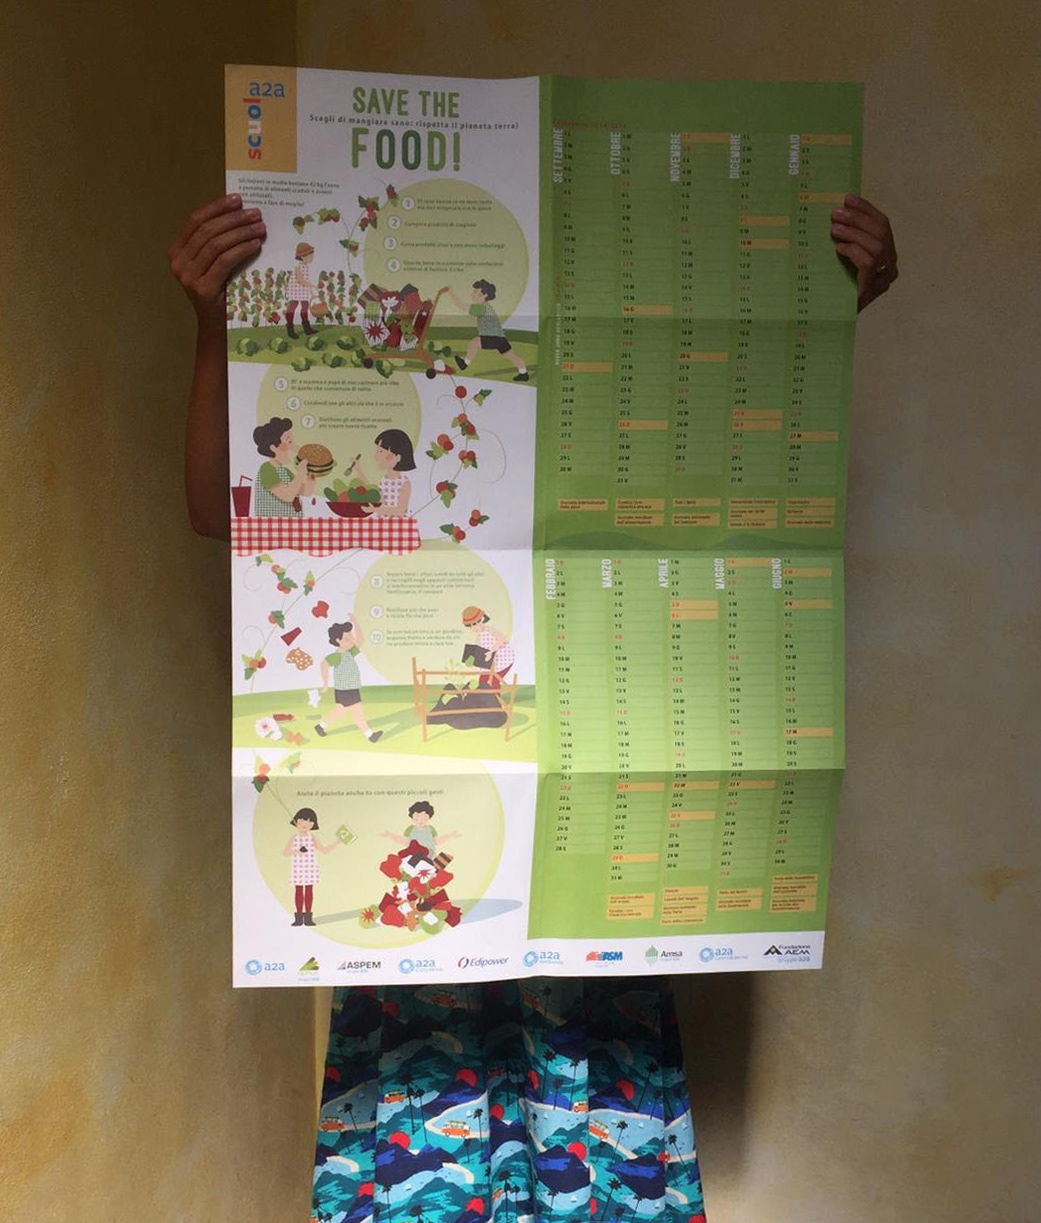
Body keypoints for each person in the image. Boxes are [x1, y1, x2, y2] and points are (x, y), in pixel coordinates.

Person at [171, 189, 897, 1222]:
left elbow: (744, 462)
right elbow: (222, 507)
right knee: (422, 1117)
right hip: (423, 831)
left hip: (595, 823)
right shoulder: (387, 431)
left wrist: (823, 307)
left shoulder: (623, 420)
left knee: (590, 1114)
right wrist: (218, 321)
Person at [445, 278, 530, 381]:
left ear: (484, 295)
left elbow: (461, 305)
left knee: (474, 343)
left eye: (475, 292)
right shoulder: (486, 307)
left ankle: (465, 363)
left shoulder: (482, 308)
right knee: (511, 356)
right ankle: (523, 373)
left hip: (492, 337)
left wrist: (451, 292)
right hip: (500, 338)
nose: (472, 294)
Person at [316, 620, 383, 743]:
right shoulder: (337, 656)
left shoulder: (349, 653)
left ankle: (321, 726)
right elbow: (323, 664)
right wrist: (325, 683)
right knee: (357, 712)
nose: (352, 641)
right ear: (338, 640)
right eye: (347, 639)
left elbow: (361, 640)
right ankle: (370, 735)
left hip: (351, 688)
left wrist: (355, 622)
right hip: (345, 690)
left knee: (341, 711)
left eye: (351, 637)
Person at [282, 807, 344, 927]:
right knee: (299, 891)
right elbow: (285, 852)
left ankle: (308, 918)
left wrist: (337, 843)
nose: (305, 823)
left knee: (309, 891)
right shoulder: (294, 838)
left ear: (313, 824)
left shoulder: (312, 838)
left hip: (310, 868)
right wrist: (297, 851)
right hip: (298, 869)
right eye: (301, 820)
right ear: (296, 822)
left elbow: (324, 850)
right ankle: (299, 918)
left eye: (309, 821)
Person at [251, 416, 314, 517]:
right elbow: (287, 496)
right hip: (273, 523)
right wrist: (301, 474)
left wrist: (312, 471)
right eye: (289, 442)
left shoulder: (285, 471)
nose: (294, 448)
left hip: (291, 523)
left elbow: (306, 491)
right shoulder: (267, 469)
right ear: (273, 448)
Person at [353, 427, 416, 518]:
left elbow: (401, 511)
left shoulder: (404, 483)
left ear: (398, 457)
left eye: (381, 451)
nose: (376, 456)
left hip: (398, 524)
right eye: (377, 451)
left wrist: (375, 509)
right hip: (383, 522)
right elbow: (374, 494)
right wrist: (359, 471)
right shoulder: (384, 479)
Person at [462, 604, 516, 690]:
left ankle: (495, 697)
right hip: (490, 663)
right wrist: (471, 661)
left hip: (503, 659)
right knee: (482, 681)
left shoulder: (489, 630)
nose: (472, 628)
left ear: (481, 620)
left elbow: (502, 638)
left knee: (494, 680)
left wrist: (491, 651)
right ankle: (484, 696)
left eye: (474, 624)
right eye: (469, 626)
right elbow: (480, 655)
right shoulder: (478, 638)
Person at [286, 240, 318, 338]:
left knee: (305, 307)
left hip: (303, 290)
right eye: (310, 255)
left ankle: (307, 328)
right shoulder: (298, 267)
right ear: (303, 256)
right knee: (293, 307)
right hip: (296, 289)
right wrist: (312, 286)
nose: (312, 257)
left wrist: (311, 291)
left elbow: (305, 280)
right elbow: (301, 280)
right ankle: (290, 330)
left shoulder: (305, 266)